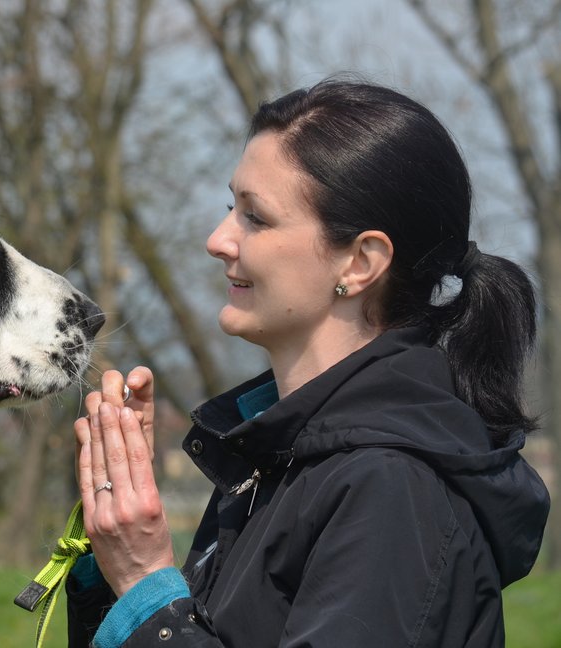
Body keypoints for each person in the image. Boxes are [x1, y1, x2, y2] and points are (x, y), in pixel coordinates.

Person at [66, 78, 551, 647]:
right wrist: (115, 560)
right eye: (231, 207)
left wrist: (146, 584)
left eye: (257, 217)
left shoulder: (394, 492)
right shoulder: (286, 458)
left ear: (361, 262)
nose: (219, 239)